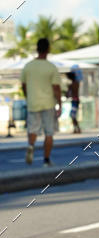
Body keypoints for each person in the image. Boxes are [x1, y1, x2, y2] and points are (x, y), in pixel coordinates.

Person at [21, 37, 61, 166]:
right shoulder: (51, 67)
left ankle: (31, 146)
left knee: (33, 129)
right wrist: (59, 104)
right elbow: (56, 88)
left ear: (37, 49)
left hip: (33, 103)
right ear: (48, 49)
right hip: (48, 103)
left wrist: (28, 97)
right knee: (49, 132)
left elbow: (24, 85)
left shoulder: (28, 66)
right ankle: (46, 160)